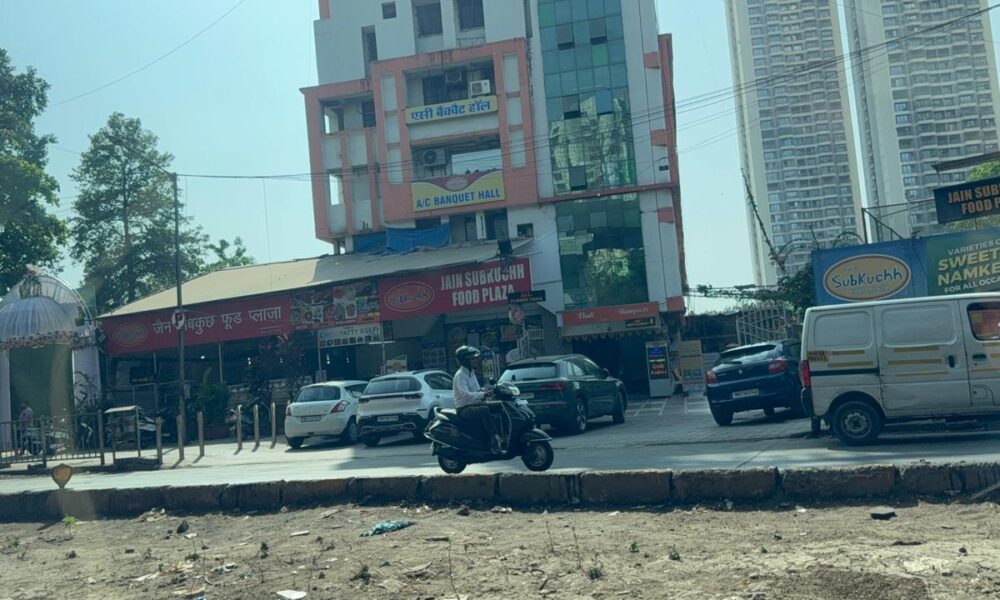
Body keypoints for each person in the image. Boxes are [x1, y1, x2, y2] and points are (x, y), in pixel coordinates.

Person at [453, 346, 503, 454]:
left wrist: (488, 390)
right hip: (464, 408)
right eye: (472, 359)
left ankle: (505, 433)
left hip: (475, 404)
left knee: (501, 405)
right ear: (465, 360)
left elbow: (477, 390)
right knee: (484, 410)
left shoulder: (471, 373)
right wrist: (482, 394)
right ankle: (493, 439)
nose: (475, 360)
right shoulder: (460, 375)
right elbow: (466, 395)